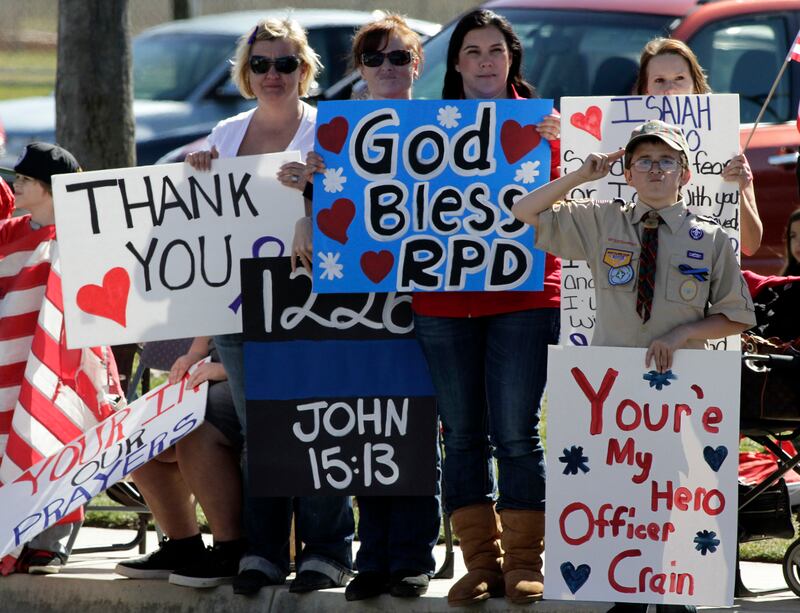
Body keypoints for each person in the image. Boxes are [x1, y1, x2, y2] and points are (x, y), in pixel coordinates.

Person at [513, 120, 756, 612]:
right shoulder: (603, 220)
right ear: (626, 172)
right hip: (614, 395)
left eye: (666, 161)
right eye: (643, 160)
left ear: (685, 174)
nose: (655, 169)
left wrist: (683, 333)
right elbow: (523, 210)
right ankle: (625, 590)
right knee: (620, 494)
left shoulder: (708, 238)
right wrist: (580, 175)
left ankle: (671, 594)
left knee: (673, 491)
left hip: (681, 391)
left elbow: (737, 315)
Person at [186, 17, 354, 596]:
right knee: (263, 429)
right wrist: (197, 172)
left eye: (286, 63)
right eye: (261, 64)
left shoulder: (332, 130)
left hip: (316, 303)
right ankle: (264, 550)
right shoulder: (225, 135)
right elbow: (198, 221)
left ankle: (328, 550)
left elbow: (361, 208)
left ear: (305, 70)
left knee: (317, 420)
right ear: (246, 72)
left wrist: (313, 195)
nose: (273, 74)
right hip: (238, 305)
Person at [410, 9, 561, 606]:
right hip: (441, 301)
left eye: (494, 49)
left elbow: (593, 189)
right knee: (463, 436)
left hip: (523, 298)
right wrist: (325, 177)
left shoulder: (549, 122)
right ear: (457, 63)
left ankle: (525, 560)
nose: (483, 60)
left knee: (517, 434)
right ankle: (480, 563)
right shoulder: (417, 128)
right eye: (471, 51)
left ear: (511, 57)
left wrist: (566, 143)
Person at [300, 15, 442, 601]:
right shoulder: (335, 134)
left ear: (418, 65)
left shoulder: (448, 127)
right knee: (370, 427)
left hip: (430, 300)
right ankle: (373, 557)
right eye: (375, 58)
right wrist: (308, 190)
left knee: (414, 425)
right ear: (359, 69)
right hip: (359, 301)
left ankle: (410, 556)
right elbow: (318, 213)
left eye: (399, 57)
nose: (388, 68)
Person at [0, 143, 121, 575]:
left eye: (26, 179)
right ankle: (16, 533)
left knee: (63, 439)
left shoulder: (82, 236)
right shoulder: (8, 233)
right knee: (13, 444)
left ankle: (54, 537)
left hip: (65, 364)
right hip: (11, 362)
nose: (16, 183)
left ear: (51, 189)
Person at [115, 337, 246, 588]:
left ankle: (231, 549)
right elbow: (214, 308)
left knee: (194, 428)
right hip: (212, 368)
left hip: (260, 370)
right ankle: (183, 545)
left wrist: (230, 369)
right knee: (142, 433)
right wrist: (194, 354)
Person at [635, 37, 762, 257]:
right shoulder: (622, 145)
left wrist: (737, 190)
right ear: (645, 90)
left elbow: (751, 245)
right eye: (659, 80)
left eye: (679, 79)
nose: (670, 90)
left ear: (696, 86)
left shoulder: (724, 144)